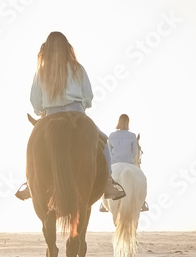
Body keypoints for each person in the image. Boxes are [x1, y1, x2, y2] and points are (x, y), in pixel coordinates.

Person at [15, 32, 126, 202]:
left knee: (31, 147)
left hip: (49, 114)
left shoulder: (41, 71)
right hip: (76, 113)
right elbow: (88, 97)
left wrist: (41, 112)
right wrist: (82, 105)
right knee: (104, 142)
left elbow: (35, 101)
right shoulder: (77, 68)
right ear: (67, 48)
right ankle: (108, 184)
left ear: (46, 49)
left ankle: (32, 183)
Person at [101, 114, 149, 212]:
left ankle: (102, 203)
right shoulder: (132, 136)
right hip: (129, 162)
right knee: (142, 177)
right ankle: (142, 202)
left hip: (114, 163)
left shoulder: (112, 135)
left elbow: (109, 152)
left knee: (103, 179)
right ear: (128, 123)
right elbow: (134, 152)